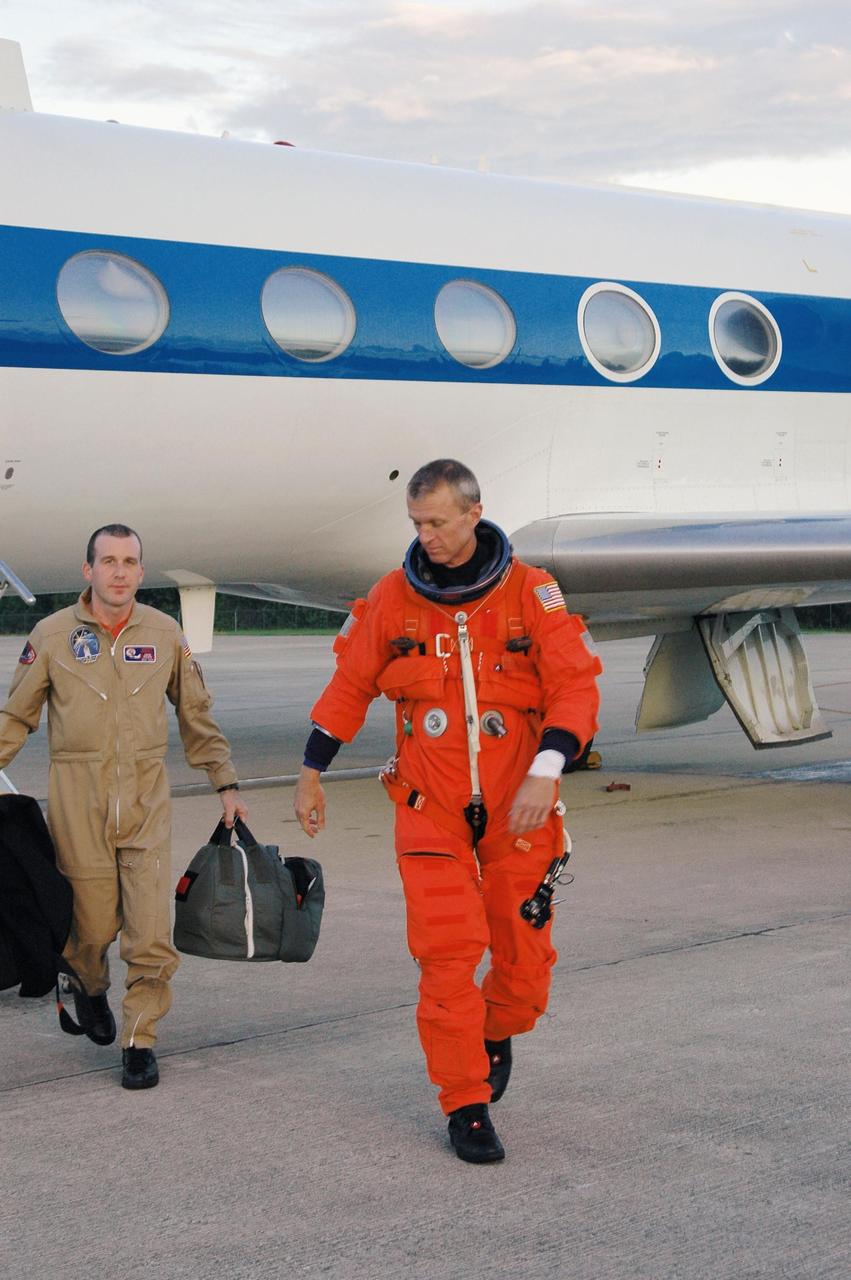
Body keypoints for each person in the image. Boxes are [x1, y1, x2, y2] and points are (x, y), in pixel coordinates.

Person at [294, 460, 601, 1163]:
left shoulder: (533, 595)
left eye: (436, 522)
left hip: (519, 813)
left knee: (523, 973)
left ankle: (495, 1031)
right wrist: (311, 771)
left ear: (473, 513)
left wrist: (545, 772)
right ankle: (464, 1104)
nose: (426, 536)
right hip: (426, 811)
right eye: (416, 524)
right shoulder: (391, 599)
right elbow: (348, 688)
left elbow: (576, 690)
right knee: (445, 961)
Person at [0, 524, 247, 1089]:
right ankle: (87, 986)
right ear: (87, 570)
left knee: (150, 934)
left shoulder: (164, 633)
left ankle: (140, 1039)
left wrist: (225, 782)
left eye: (129, 561)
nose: (118, 571)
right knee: (89, 930)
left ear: (140, 571)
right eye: (107, 561)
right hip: (77, 803)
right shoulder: (52, 634)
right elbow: (16, 716)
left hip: (144, 804)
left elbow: (196, 714)